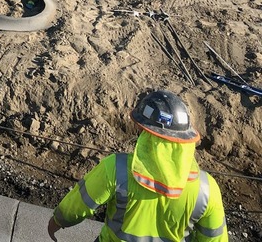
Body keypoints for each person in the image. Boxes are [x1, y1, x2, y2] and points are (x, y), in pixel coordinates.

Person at [47, 90, 228, 242]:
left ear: (146, 133)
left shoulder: (116, 168)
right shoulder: (207, 189)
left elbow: (79, 204)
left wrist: (58, 221)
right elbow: (214, 237)